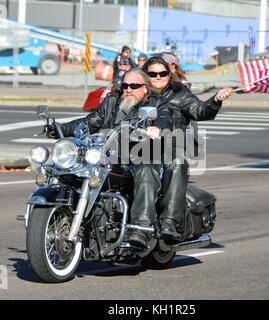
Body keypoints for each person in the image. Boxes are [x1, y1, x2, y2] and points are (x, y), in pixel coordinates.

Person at [48, 68, 172, 249]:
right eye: (125, 85)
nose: (128, 89)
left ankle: (141, 229)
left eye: (134, 86)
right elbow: (90, 122)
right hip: (109, 154)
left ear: (145, 88)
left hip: (141, 154)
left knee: (147, 169)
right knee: (71, 168)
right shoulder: (112, 102)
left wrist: (156, 128)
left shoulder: (156, 103)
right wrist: (58, 128)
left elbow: (164, 118)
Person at [142, 56, 233, 239]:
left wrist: (215, 99)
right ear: (145, 75)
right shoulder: (139, 93)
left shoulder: (179, 94)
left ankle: (170, 222)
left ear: (170, 74)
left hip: (171, 146)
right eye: (153, 74)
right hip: (140, 148)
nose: (158, 77)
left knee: (176, 162)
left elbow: (200, 110)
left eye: (163, 73)